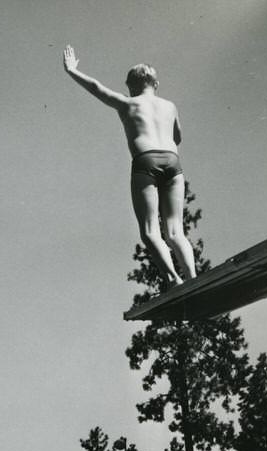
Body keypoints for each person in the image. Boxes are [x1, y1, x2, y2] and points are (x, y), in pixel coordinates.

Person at [62, 47, 196, 289]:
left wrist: (72, 70)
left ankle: (173, 280)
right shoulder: (170, 106)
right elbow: (178, 136)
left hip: (146, 161)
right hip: (173, 162)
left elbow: (96, 88)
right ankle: (193, 278)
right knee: (176, 231)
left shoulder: (127, 103)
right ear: (156, 83)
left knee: (150, 231)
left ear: (130, 86)